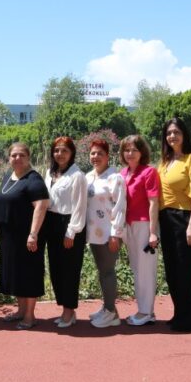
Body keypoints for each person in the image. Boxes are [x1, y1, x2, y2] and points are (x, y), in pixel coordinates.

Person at [157, 118, 191, 332]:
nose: (172, 136)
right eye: (168, 133)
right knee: (172, 270)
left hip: (184, 218)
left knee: (187, 270)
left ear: (184, 134)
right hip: (166, 220)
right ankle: (179, 313)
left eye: (176, 132)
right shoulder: (165, 161)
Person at [0, 142, 49, 329]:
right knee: (16, 274)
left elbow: (41, 206)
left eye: (21, 155)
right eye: (14, 155)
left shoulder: (34, 179)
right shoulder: (7, 177)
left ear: (28, 157)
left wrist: (33, 234)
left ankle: (30, 315)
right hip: (9, 236)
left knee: (29, 273)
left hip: (27, 237)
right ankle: (20, 310)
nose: (17, 159)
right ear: (9, 158)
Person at [43, 136, 87, 328]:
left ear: (72, 153)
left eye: (64, 150)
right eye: (57, 150)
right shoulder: (50, 172)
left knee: (69, 270)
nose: (60, 154)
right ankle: (64, 309)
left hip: (69, 224)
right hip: (51, 222)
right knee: (56, 269)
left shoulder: (77, 176)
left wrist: (72, 231)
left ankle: (69, 311)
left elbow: (80, 205)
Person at [118, 135, 160, 326]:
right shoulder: (123, 173)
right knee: (136, 268)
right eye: (126, 150)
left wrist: (152, 232)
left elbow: (153, 203)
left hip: (144, 225)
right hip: (128, 225)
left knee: (146, 270)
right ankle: (143, 310)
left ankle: (146, 312)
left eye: (134, 150)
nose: (130, 153)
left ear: (142, 152)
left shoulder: (149, 172)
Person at [85, 139, 127, 329]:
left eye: (100, 153)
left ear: (107, 156)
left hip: (108, 233)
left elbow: (120, 208)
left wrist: (115, 234)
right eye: (93, 153)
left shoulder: (115, 177)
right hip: (93, 232)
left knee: (108, 271)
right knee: (102, 271)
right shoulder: (88, 177)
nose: (96, 157)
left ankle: (111, 312)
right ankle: (108, 308)